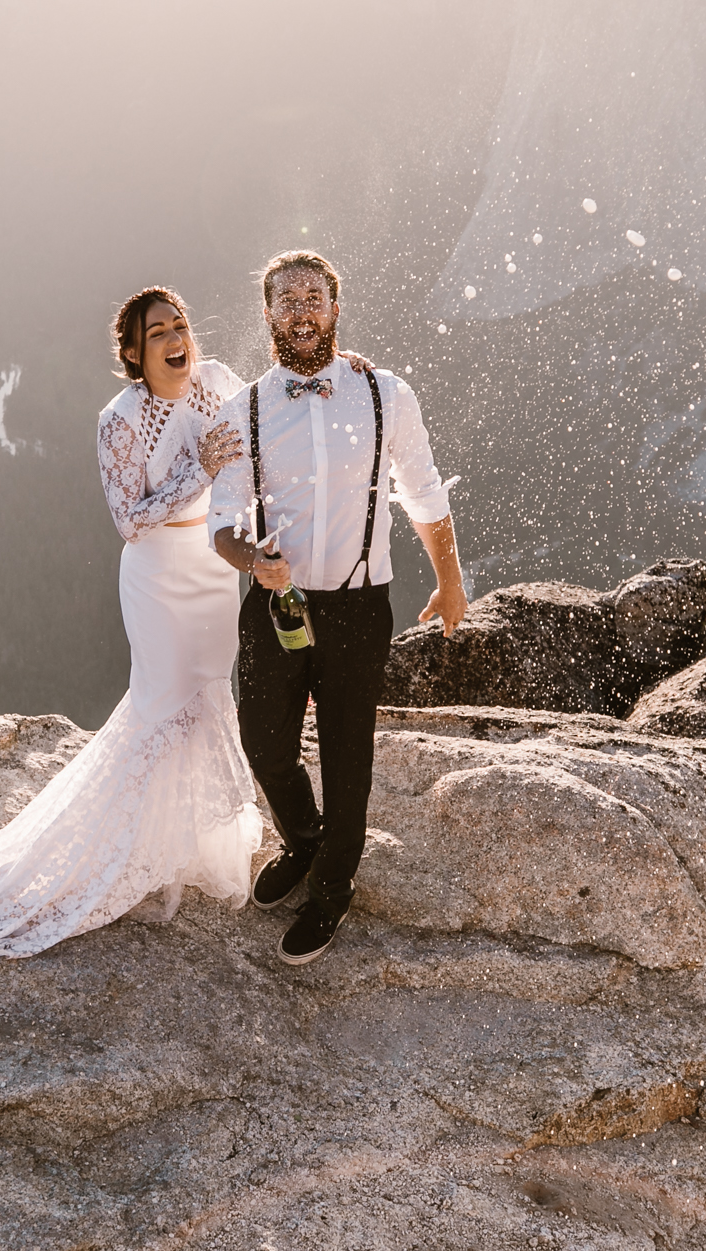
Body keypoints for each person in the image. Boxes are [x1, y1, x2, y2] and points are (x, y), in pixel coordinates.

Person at [0, 287, 263, 956]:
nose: (177, 338)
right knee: (159, 707)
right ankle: (116, 859)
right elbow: (129, 520)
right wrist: (199, 469)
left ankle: (184, 850)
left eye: (181, 325)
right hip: (159, 577)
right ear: (135, 354)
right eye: (159, 332)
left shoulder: (220, 381)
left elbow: (264, 433)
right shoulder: (119, 419)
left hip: (214, 566)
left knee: (207, 699)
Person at [211, 250, 466, 965]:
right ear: (267, 314)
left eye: (312, 294)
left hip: (359, 605)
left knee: (349, 757)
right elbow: (223, 518)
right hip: (276, 602)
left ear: (334, 308)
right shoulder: (247, 408)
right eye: (285, 297)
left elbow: (424, 491)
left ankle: (333, 888)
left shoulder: (385, 392)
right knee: (264, 742)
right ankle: (304, 838)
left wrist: (449, 579)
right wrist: (251, 560)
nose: (300, 307)